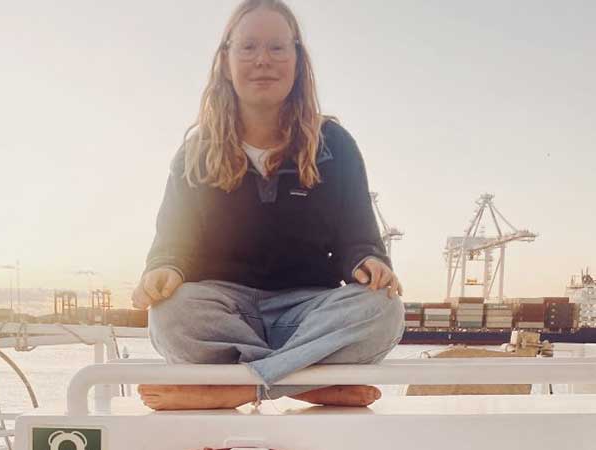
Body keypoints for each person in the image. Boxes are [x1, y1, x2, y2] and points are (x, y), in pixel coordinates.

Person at [131, 0, 404, 411]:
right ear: (226, 60)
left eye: (277, 48)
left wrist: (368, 260)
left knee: (382, 308)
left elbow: (359, 239)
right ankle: (304, 383)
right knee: (172, 314)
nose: (263, 60)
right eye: (248, 47)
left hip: (308, 309)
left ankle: (237, 387)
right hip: (225, 310)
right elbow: (172, 244)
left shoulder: (336, 145)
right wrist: (164, 270)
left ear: (297, 60)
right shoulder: (195, 152)